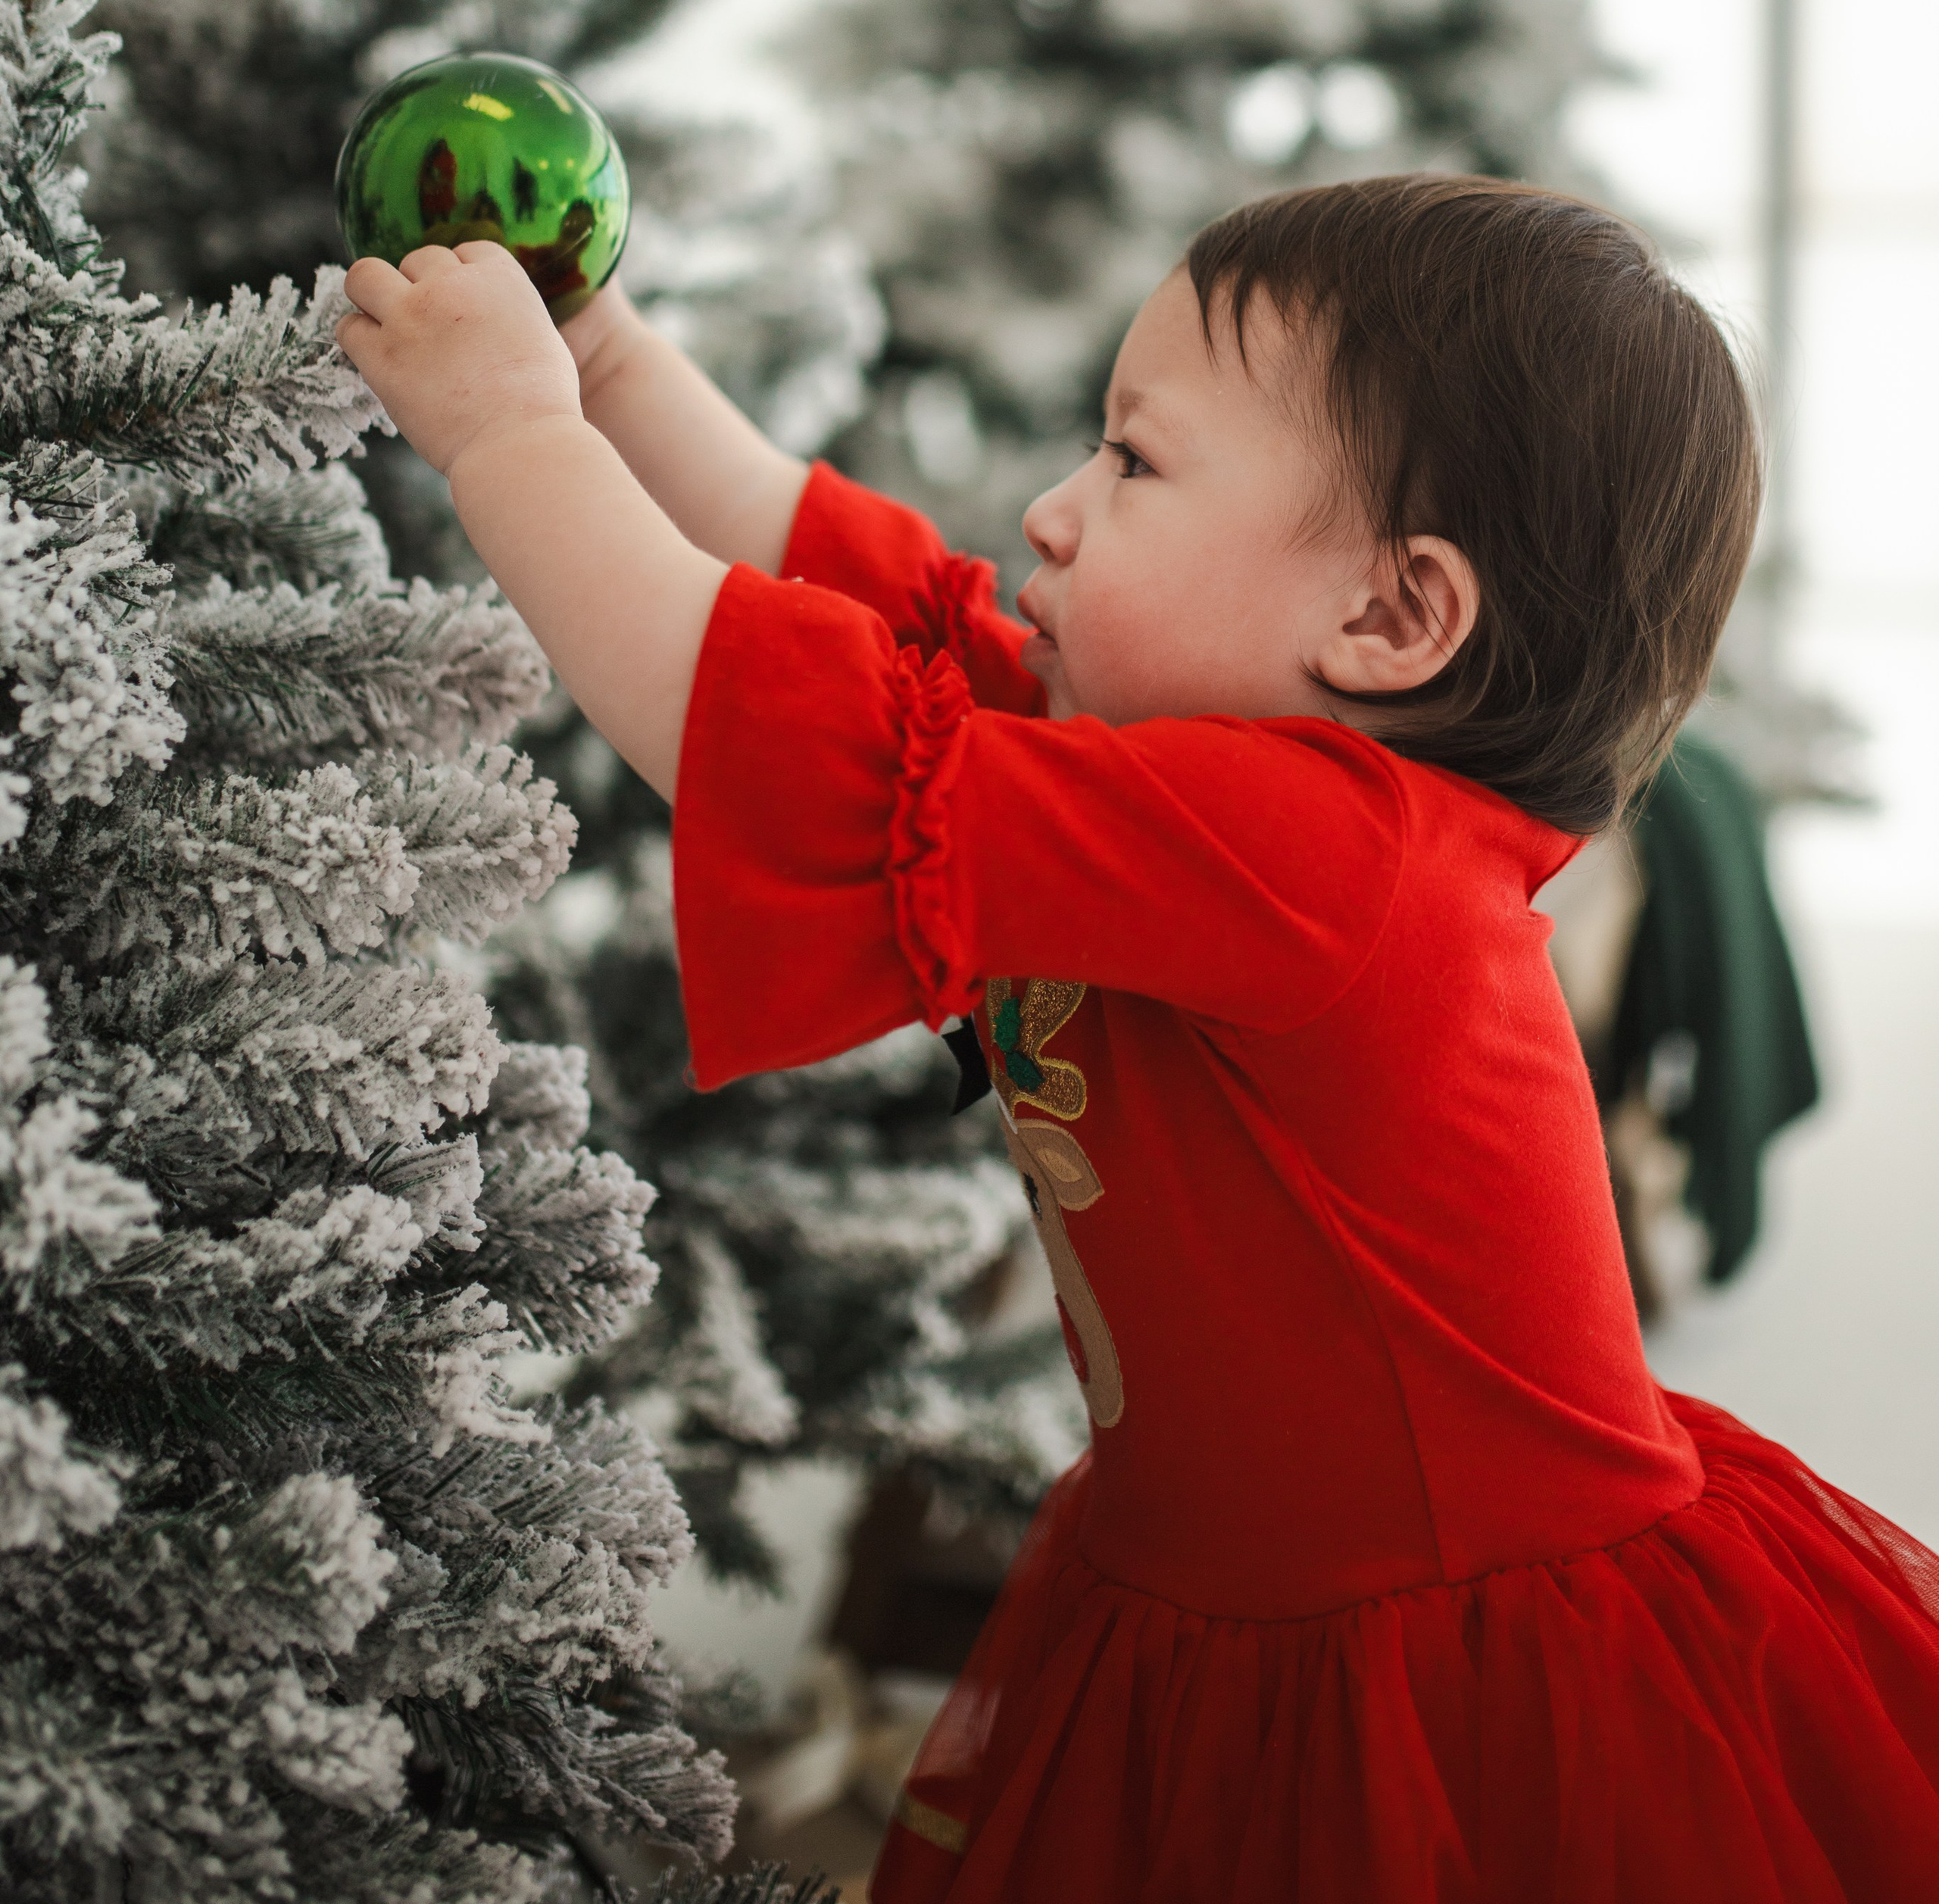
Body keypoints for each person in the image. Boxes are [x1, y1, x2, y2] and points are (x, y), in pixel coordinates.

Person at [338, 173, 1939, 1903]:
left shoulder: (1325, 848)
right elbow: (864, 596)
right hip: (1219, 1592)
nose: (1050, 508)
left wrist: (507, 433)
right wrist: (611, 362)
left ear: (1391, 619)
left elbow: (777, 733)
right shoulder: (1199, 765)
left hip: (1447, 1672)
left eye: (1132, 461)